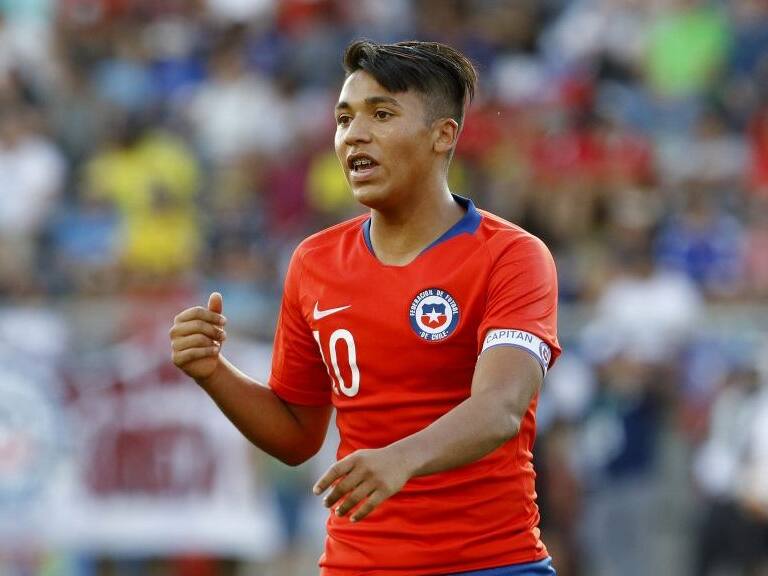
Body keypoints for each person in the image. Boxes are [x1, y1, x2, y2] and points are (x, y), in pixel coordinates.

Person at [170, 40, 561, 576]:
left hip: (492, 563)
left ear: (443, 135)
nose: (354, 133)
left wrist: (401, 459)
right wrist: (214, 372)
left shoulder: (512, 256)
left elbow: (500, 408)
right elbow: (296, 434)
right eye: (344, 118)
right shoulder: (314, 262)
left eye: (381, 114)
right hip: (357, 565)